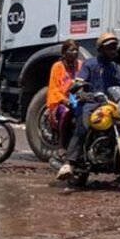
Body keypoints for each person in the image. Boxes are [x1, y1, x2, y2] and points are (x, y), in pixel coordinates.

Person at [64, 32, 120, 171]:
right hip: (90, 102)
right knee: (83, 127)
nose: (113, 50)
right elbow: (79, 80)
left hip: (108, 104)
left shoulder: (115, 67)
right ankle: (69, 162)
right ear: (101, 49)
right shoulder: (90, 64)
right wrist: (80, 90)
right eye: (109, 47)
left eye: (114, 47)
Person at [48, 40, 81, 177]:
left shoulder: (81, 65)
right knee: (65, 112)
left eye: (76, 50)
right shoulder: (57, 67)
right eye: (71, 50)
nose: (74, 53)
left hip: (79, 98)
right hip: (61, 101)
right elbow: (54, 88)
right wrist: (65, 100)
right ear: (63, 53)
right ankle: (61, 144)